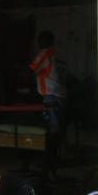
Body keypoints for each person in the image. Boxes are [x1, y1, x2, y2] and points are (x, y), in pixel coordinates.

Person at [28, 31, 67, 179]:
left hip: (50, 96)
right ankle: (56, 160)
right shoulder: (59, 55)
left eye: (40, 40)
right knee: (59, 129)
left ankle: (48, 163)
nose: (39, 43)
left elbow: (31, 70)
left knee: (52, 130)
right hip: (62, 95)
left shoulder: (45, 53)